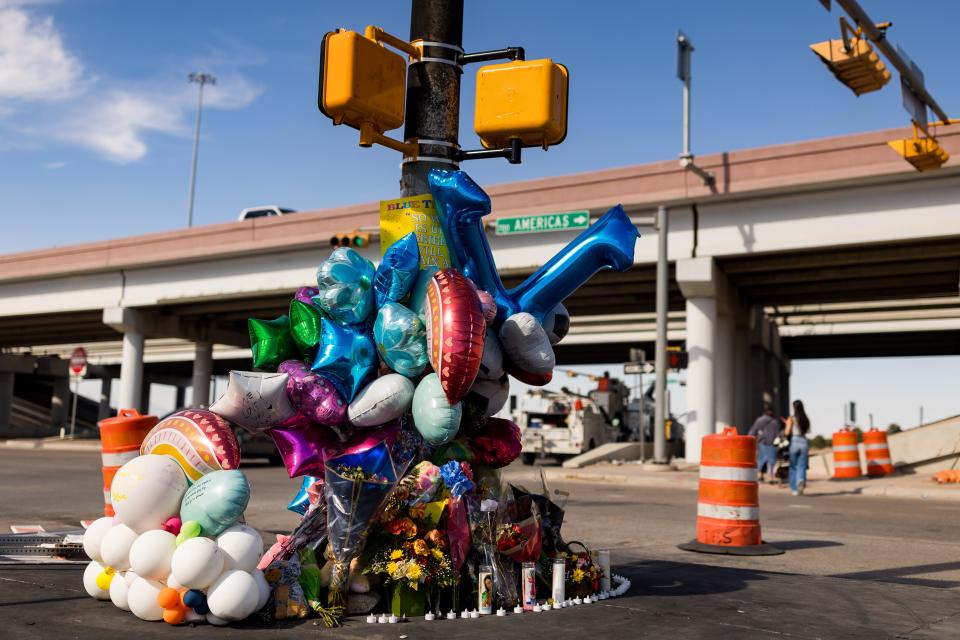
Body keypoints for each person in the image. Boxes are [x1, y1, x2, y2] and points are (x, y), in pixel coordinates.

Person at [784, 399, 811, 496]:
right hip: (804, 441)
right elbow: (808, 431)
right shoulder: (806, 419)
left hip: (794, 441)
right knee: (802, 466)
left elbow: (786, 432)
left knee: (793, 466)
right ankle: (801, 480)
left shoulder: (792, 418)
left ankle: (794, 489)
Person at [748, 403, 780, 483]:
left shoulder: (759, 420)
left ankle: (760, 475)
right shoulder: (774, 422)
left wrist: (748, 439)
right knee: (771, 460)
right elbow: (777, 434)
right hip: (772, 443)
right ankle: (771, 477)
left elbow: (753, 431)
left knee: (761, 459)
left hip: (762, 442)